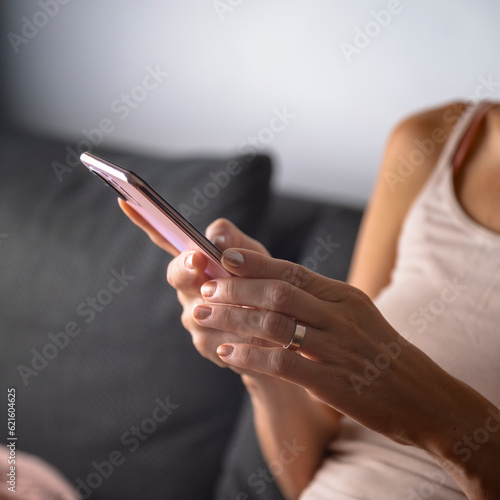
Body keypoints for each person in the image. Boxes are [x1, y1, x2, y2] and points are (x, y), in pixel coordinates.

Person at [119, 100, 500, 500]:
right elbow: (305, 474)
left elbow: (400, 389)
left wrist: (439, 418)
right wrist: (260, 356)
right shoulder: (430, 141)